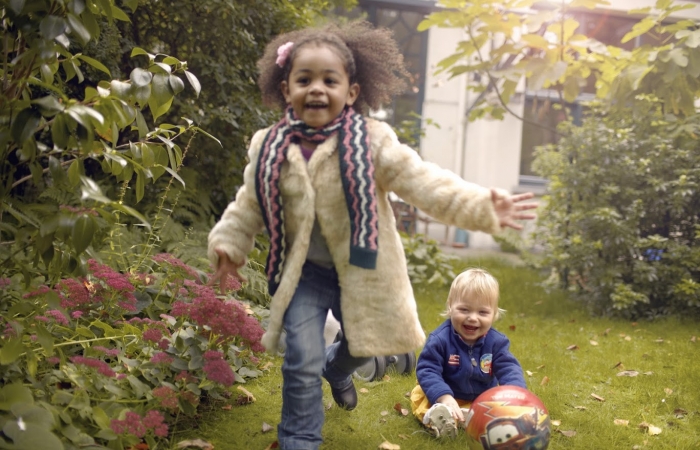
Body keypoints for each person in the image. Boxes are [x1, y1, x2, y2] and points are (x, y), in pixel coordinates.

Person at [207, 20, 537, 450]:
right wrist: (228, 245)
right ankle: (300, 440)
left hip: (364, 272)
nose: (317, 89)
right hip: (303, 274)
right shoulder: (269, 146)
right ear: (285, 89)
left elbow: (425, 183)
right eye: (304, 79)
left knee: (364, 346)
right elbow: (247, 202)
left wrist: (482, 205)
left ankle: (339, 367)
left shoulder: (374, 142)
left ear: (352, 91)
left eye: (330, 79)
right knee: (300, 359)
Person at [410, 268, 527, 439]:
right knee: (423, 402)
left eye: (482, 312)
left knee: (495, 411)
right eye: (464, 310)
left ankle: (474, 420)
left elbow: (509, 368)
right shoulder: (440, 339)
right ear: (450, 307)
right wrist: (443, 396)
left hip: (480, 399)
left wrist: (515, 393)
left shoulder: (496, 342)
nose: (472, 318)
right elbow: (427, 369)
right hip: (446, 395)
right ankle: (440, 421)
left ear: (494, 314)